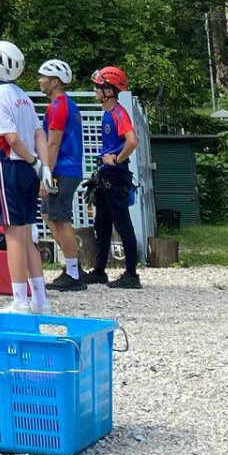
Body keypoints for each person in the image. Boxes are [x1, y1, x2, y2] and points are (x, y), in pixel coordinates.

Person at [0, 40, 47, 314]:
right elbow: (38, 134)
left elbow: (10, 137)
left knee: (13, 237)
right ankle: (40, 301)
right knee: (25, 235)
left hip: (7, 166)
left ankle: (19, 301)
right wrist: (43, 167)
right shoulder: (23, 95)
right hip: (30, 171)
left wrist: (32, 160)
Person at [88, 66, 142, 291]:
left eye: (99, 86)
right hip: (106, 174)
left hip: (115, 175)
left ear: (109, 90)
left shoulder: (119, 113)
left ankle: (131, 274)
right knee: (102, 222)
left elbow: (132, 140)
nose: (95, 90)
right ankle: (99, 271)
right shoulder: (109, 113)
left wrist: (117, 159)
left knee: (122, 224)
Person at [38, 59, 86, 292]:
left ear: (54, 81)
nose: (40, 81)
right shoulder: (70, 104)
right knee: (48, 215)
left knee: (59, 219)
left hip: (61, 169)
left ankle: (74, 274)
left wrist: (45, 173)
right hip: (69, 168)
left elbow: (53, 143)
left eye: (43, 77)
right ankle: (73, 265)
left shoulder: (57, 106)